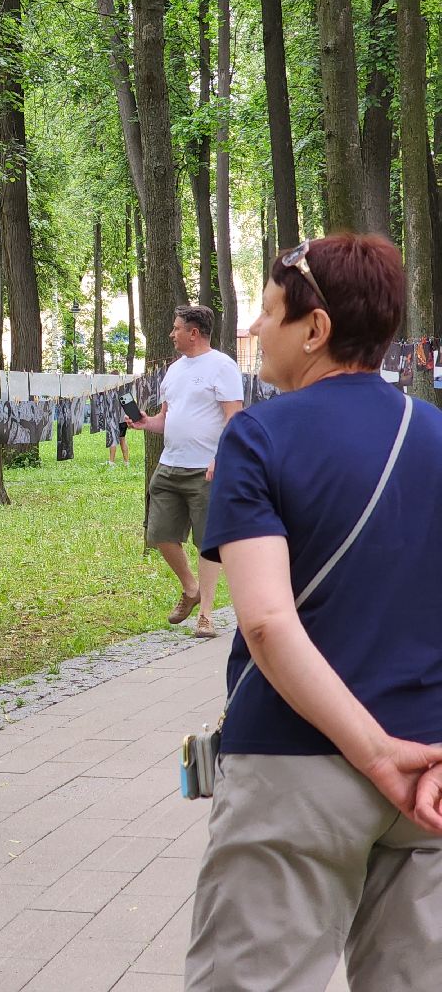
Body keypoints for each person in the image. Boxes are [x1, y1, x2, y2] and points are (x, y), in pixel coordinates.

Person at [185, 234, 442, 990]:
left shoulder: (258, 437)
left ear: (316, 329)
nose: (257, 329)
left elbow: (264, 622)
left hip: (296, 771)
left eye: (267, 311)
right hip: (429, 775)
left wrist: (371, 753)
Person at [127, 305, 243, 638]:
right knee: (160, 533)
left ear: (193, 332)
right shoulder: (174, 370)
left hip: (205, 469)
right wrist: (145, 423)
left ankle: (205, 614)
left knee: (207, 542)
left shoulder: (223, 367)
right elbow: (166, 417)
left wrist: (222, 457)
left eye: (176, 328)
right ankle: (190, 588)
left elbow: (234, 418)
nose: (171, 333)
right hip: (170, 465)